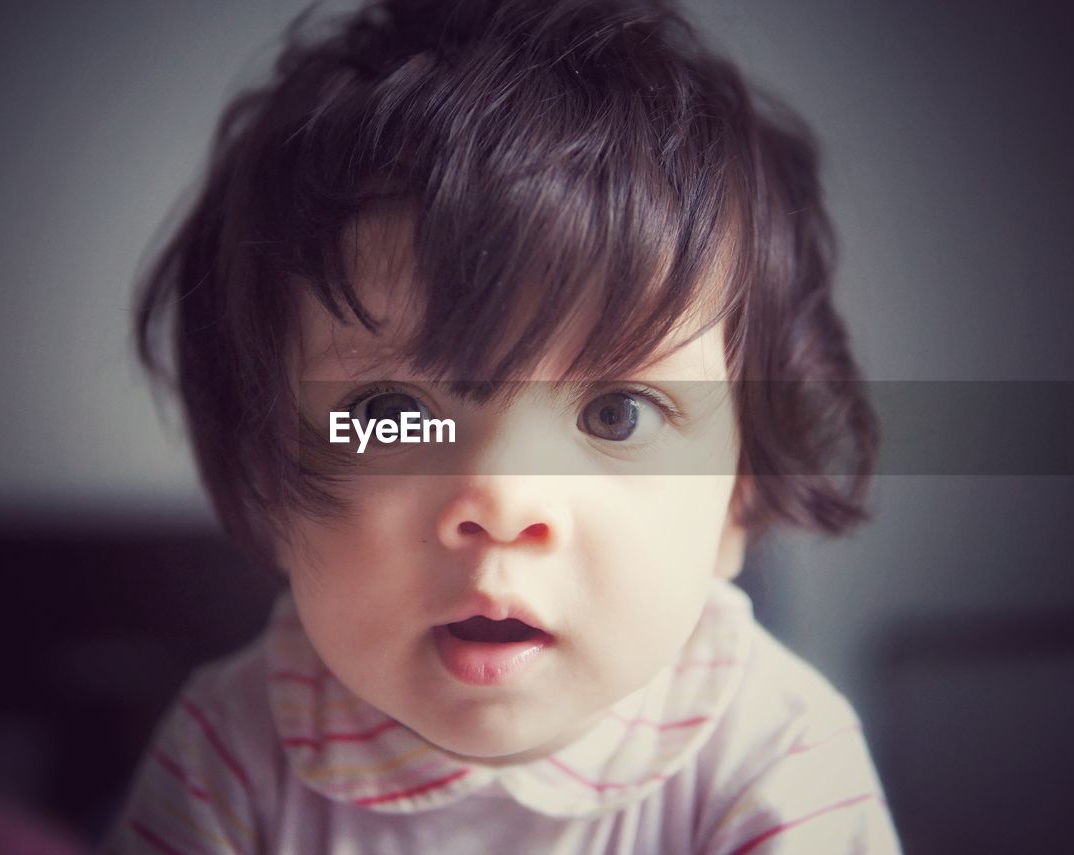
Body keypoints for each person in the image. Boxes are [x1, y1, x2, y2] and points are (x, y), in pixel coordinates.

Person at [105, 0, 902, 851]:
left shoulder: (776, 756)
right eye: (391, 412)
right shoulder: (227, 755)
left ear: (740, 500)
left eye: (616, 412)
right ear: (266, 478)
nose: (502, 501)